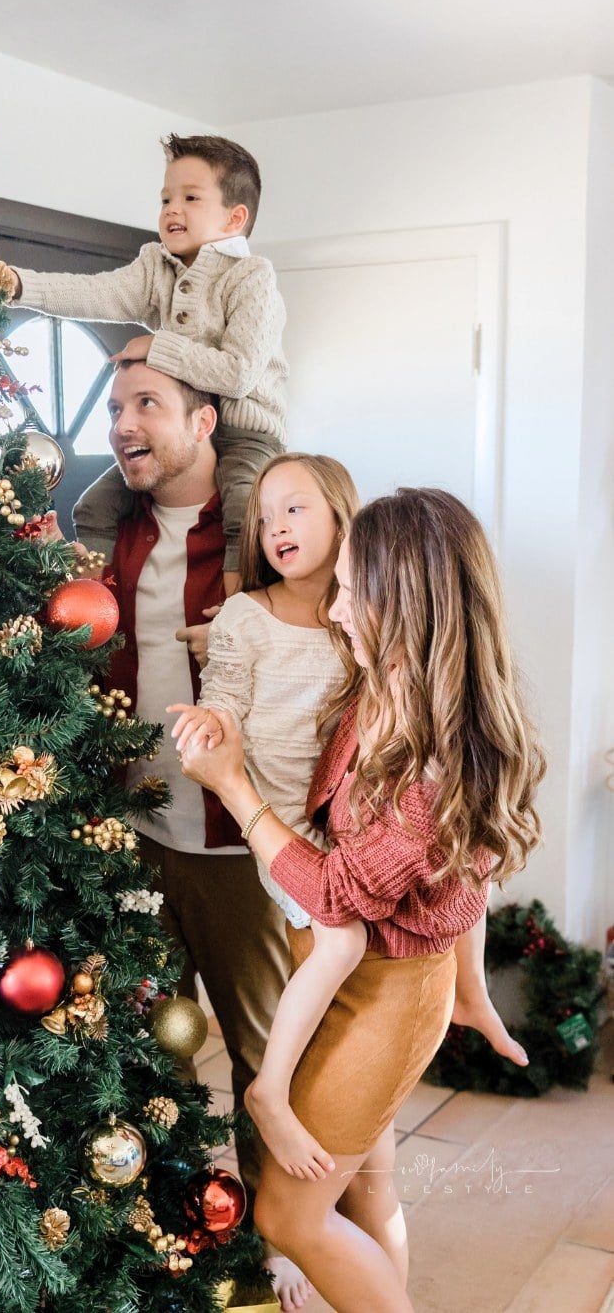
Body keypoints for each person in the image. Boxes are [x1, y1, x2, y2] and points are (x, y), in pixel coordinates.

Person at [176, 488, 545, 1312]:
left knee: (287, 1215)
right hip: (351, 981)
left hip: (382, 999)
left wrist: (234, 789)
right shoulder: (383, 685)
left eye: (350, 592)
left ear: (405, 604)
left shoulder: (440, 761)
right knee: (365, 1195)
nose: (335, 611)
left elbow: (338, 892)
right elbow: (456, 885)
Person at [96, 359, 310, 1310]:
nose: (123, 424)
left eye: (146, 404)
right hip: (134, 837)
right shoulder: (112, 531)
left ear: (205, 421)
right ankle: (180, 1235)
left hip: (240, 846)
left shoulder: (264, 536)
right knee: (156, 1051)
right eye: (113, 408)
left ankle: (291, 1244)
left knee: (271, 1059)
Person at [0, 132, 288, 590]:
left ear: (234, 218)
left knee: (243, 511)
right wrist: (20, 285)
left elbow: (238, 374)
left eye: (190, 198)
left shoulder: (250, 278)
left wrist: (155, 345)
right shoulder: (156, 268)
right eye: (165, 198)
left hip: (245, 430)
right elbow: (93, 292)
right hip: (177, 432)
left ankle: (234, 613)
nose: (171, 209)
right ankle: (100, 600)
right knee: (94, 506)